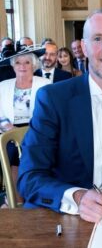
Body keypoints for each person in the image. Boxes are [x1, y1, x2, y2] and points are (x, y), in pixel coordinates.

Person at [17, 7, 102, 223]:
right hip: (57, 218)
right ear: (84, 47)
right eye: (97, 39)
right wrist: (78, 196)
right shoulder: (53, 99)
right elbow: (30, 178)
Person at [0, 46, 50, 206]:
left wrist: (32, 130)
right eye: (19, 63)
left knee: (31, 148)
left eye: (27, 62)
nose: (22, 66)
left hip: (38, 129)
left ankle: (36, 198)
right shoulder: (3, 86)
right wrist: (9, 128)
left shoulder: (45, 84)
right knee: (13, 148)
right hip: (10, 131)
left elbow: (49, 112)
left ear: (33, 65)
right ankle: (16, 199)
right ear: (13, 66)